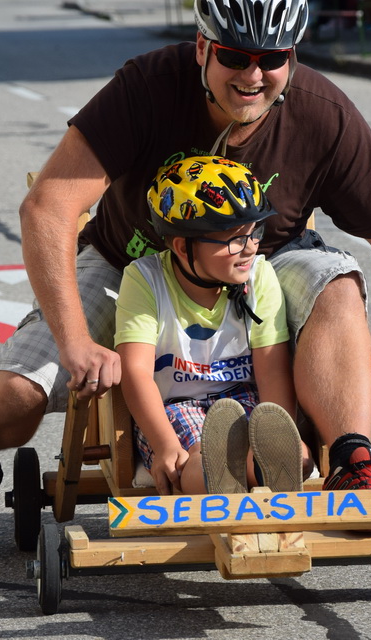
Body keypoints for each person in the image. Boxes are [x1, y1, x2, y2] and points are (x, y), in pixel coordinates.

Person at [0, 0, 371, 562]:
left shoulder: (324, 114)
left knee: (336, 280)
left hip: (260, 263)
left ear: (292, 56)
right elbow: (46, 208)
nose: (253, 74)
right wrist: (75, 343)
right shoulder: (146, 87)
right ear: (202, 47)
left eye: (272, 58)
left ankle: (352, 461)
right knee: (15, 399)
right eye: (234, 55)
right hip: (132, 265)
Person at [117, 156, 312, 495]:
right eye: (235, 240)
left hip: (245, 398)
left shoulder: (259, 275)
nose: (249, 248)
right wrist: (163, 444)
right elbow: (135, 371)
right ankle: (218, 478)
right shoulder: (144, 279)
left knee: (283, 452)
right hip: (174, 407)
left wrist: (285, 430)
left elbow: (272, 368)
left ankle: (266, 468)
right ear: (182, 246)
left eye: (255, 234)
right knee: (193, 460)